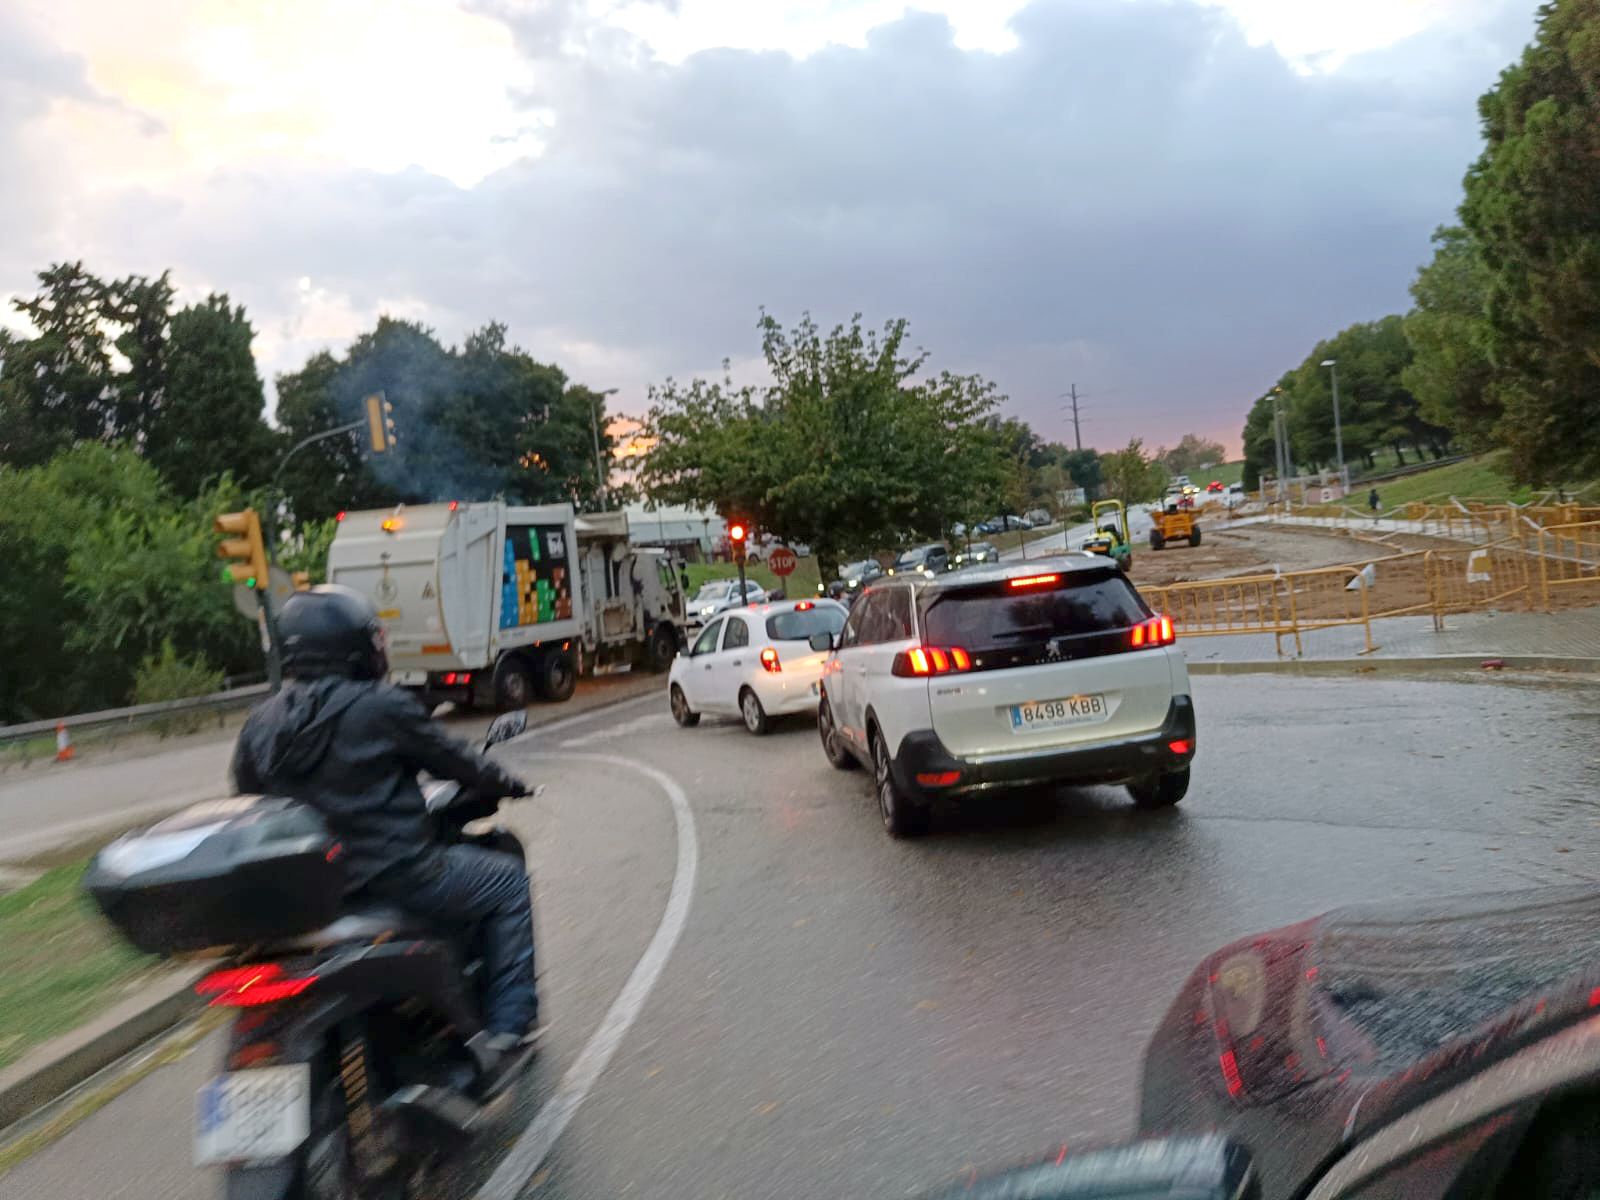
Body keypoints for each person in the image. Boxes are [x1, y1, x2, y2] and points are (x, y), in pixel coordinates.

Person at [230, 585, 540, 1094]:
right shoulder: (380, 706)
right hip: (397, 877)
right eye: (374, 638)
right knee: (505, 882)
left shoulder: (260, 723)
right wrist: (508, 784)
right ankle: (508, 1032)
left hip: (310, 897)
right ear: (354, 644)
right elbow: (457, 761)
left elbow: (249, 800)